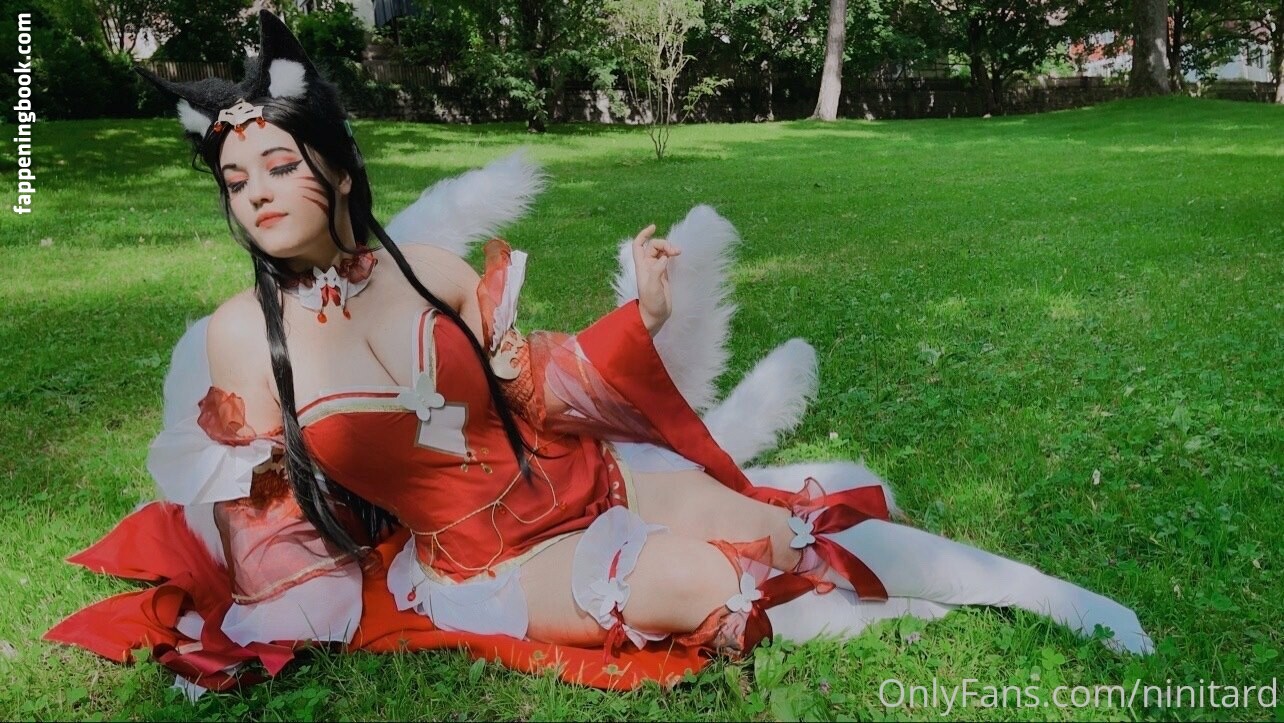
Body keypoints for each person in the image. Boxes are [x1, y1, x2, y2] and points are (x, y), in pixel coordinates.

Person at [46, 10, 1154, 700]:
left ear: (336, 168)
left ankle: (1044, 594)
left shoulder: (430, 267)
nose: (256, 194)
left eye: (280, 166)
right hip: (482, 563)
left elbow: (535, 384)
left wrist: (648, 316)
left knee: (782, 526)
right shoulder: (239, 338)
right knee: (703, 583)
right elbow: (263, 521)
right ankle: (892, 617)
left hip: (582, 478)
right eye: (235, 180)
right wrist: (259, 623)